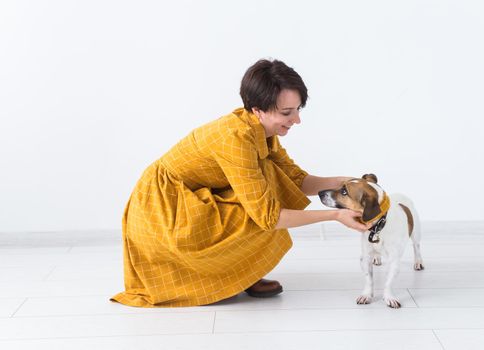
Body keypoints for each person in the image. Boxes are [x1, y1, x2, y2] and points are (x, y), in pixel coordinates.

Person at [110, 59, 369, 307]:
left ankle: (242, 274)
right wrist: (335, 215)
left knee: (271, 176)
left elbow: (296, 180)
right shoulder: (236, 139)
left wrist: (344, 181)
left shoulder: (261, 129)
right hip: (164, 206)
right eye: (287, 112)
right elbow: (269, 218)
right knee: (262, 204)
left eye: (298, 109)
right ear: (258, 109)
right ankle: (231, 277)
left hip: (198, 194)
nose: (297, 120)